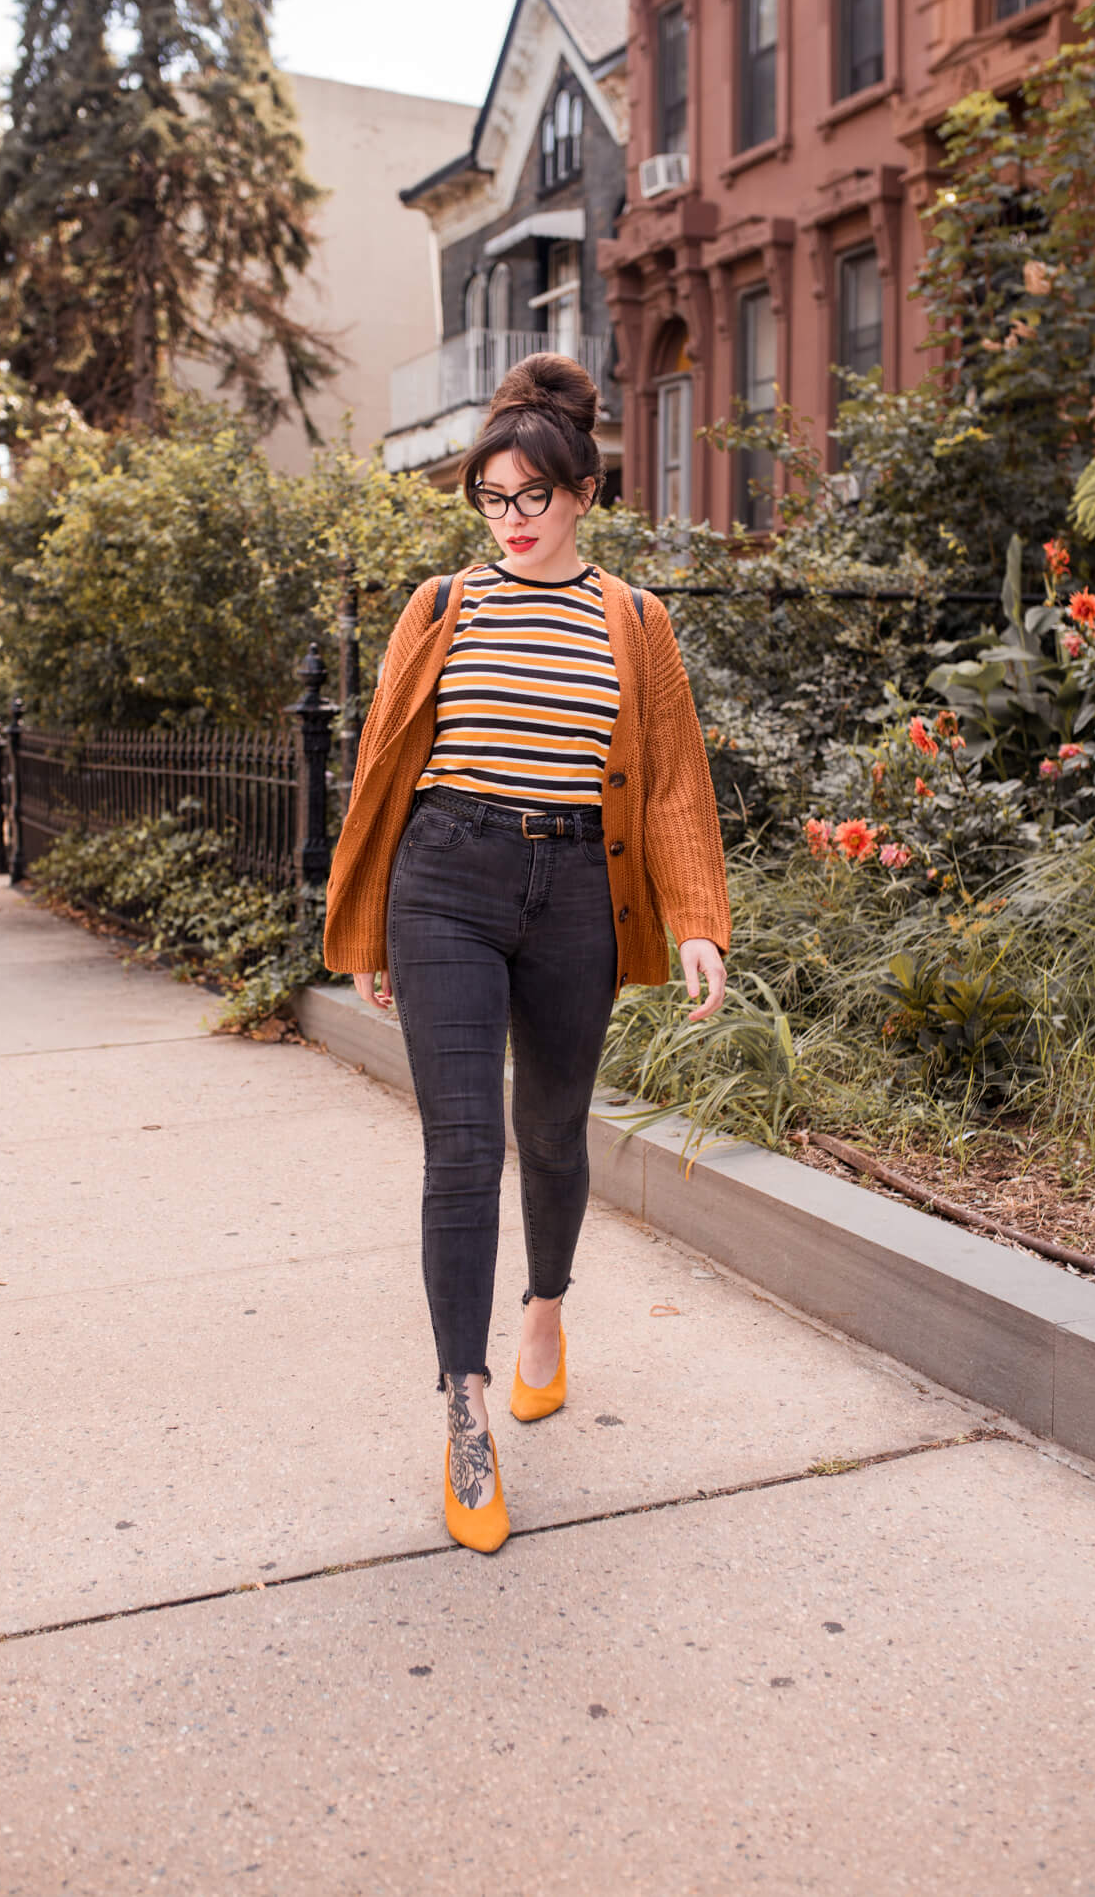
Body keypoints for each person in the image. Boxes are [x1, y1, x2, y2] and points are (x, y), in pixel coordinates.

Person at [323, 352, 732, 1554]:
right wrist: (366, 920)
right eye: (492, 500)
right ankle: (463, 1409)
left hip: (572, 898)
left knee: (550, 1130)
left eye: (531, 499)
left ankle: (543, 1313)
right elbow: (384, 766)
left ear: (582, 494)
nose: (510, 521)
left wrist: (698, 916)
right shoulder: (441, 606)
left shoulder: (635, 621)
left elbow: (668, 786)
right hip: (443, 880)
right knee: (460, 1147)